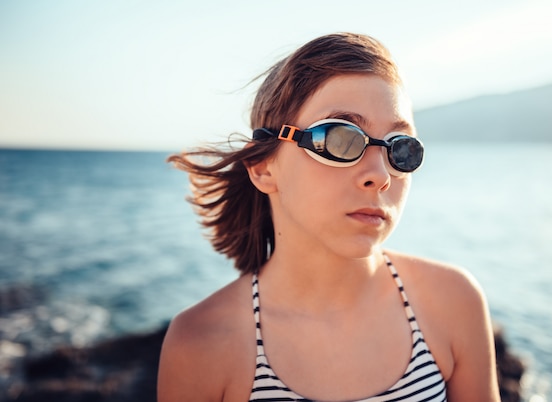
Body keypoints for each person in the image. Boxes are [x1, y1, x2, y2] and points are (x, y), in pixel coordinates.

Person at [157, 32, 501, 402]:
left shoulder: (452, 301)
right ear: (263, 168)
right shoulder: (202, 344)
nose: (381, 175)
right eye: (339, 138)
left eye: (401, 149)